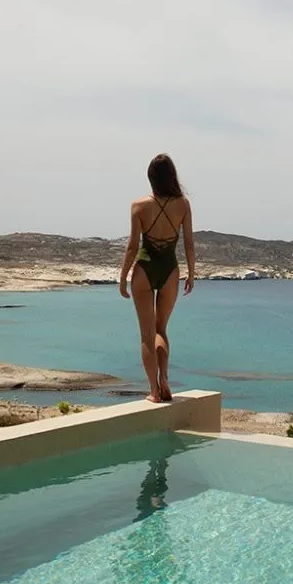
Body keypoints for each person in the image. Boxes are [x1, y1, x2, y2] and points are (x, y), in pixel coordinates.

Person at [119, 153, 195, 403]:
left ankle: (154, 391)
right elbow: (189, 243)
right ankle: (165, 379)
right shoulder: (183, 205)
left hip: (144, 270)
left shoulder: (138, 206)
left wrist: (123, 277)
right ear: (172, 176)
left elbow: (132, 247)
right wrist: (192, 273)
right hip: (170, 271)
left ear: (151, 178)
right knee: (161, 329)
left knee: (147, 334)